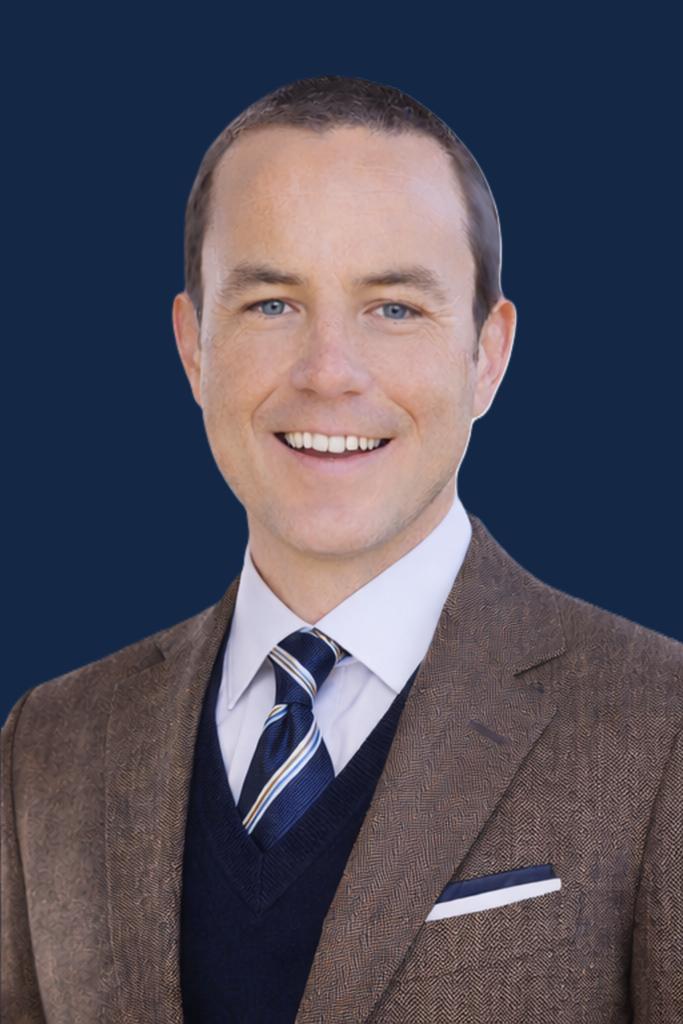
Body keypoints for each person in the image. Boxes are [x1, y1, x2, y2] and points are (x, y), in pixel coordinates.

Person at [2, 76, 681, 1024]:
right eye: (272, 304)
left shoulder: (659, 728)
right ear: (194, 347)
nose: (329, 372)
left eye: (393, 308)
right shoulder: (50, 745)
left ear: (487, 355)